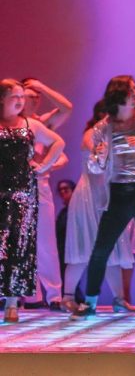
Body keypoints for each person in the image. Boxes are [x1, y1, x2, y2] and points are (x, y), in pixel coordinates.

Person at [70, 76, 135, 319]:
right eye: (131, 90)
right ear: (119, 95)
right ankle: (89, 302)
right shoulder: (104, 126)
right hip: (118, 192)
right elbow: (95, 167)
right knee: (101, 248)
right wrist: (99, 156)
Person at [0, 79, 65, 323]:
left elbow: (58, 143)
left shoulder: (31, 124)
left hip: (22, 195)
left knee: (18, 247)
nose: (20, 101)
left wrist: (44, 165)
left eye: (21, 97)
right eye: (14, 96)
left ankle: (12, 302)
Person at [61, 102, 135, 314]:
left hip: (108, 195)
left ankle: (119, 299)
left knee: (112, 247)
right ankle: (67, 298)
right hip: (88, 197)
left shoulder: (118, 135)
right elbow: (89, 147)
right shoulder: (92, 133)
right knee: (83, 248)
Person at [21, 78, 72, 310]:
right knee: (16, 240)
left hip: (38, 185)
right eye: (30, 95)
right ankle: (30, 295)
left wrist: (42, 86)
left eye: (37, 96)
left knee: (45, 241)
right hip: (12, 187)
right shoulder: (10, 123)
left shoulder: (43, 123)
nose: (35, 99)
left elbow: (67, 108)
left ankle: (54, 295)